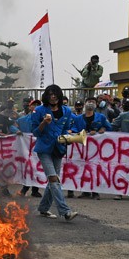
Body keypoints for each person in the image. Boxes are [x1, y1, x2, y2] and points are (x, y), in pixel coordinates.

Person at [31, 84, 80, 221]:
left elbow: (65, 129)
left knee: (54, 181)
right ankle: (65, 211)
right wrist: (44, 123)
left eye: (55, 94)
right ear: (46, 96)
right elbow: (35, 132)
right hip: (44, 149)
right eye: (50, 94)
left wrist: (68, 139)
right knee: (53, 178)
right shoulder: (38, 111)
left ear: (59, 95)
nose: (53, 96)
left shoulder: (67, 111)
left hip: (58, 149)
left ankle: (43, 208)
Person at [74, 97, 112, 199]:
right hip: (82, 149)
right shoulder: (78, 118)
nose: (90, 103)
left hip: (96, 149)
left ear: (96, 105)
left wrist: (103, 128)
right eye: (88, 102)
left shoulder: (101, 117)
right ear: (85, 104)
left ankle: (95, 192)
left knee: (95, 168)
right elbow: (73, 129)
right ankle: (85, 191)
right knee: (83, 168)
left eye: (93, 102)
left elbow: (110, 127)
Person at [16, 100, 43, 198]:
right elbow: (13, 126)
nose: (35, 107)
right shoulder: (22, 120)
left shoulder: (44, 120)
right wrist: (16, 130)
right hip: (26, 147)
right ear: (29, 107)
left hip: (39, 147)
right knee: (28, 167)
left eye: (38, 105)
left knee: (37, 167)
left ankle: (35, 189)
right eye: (33, 105)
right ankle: (25, 188)